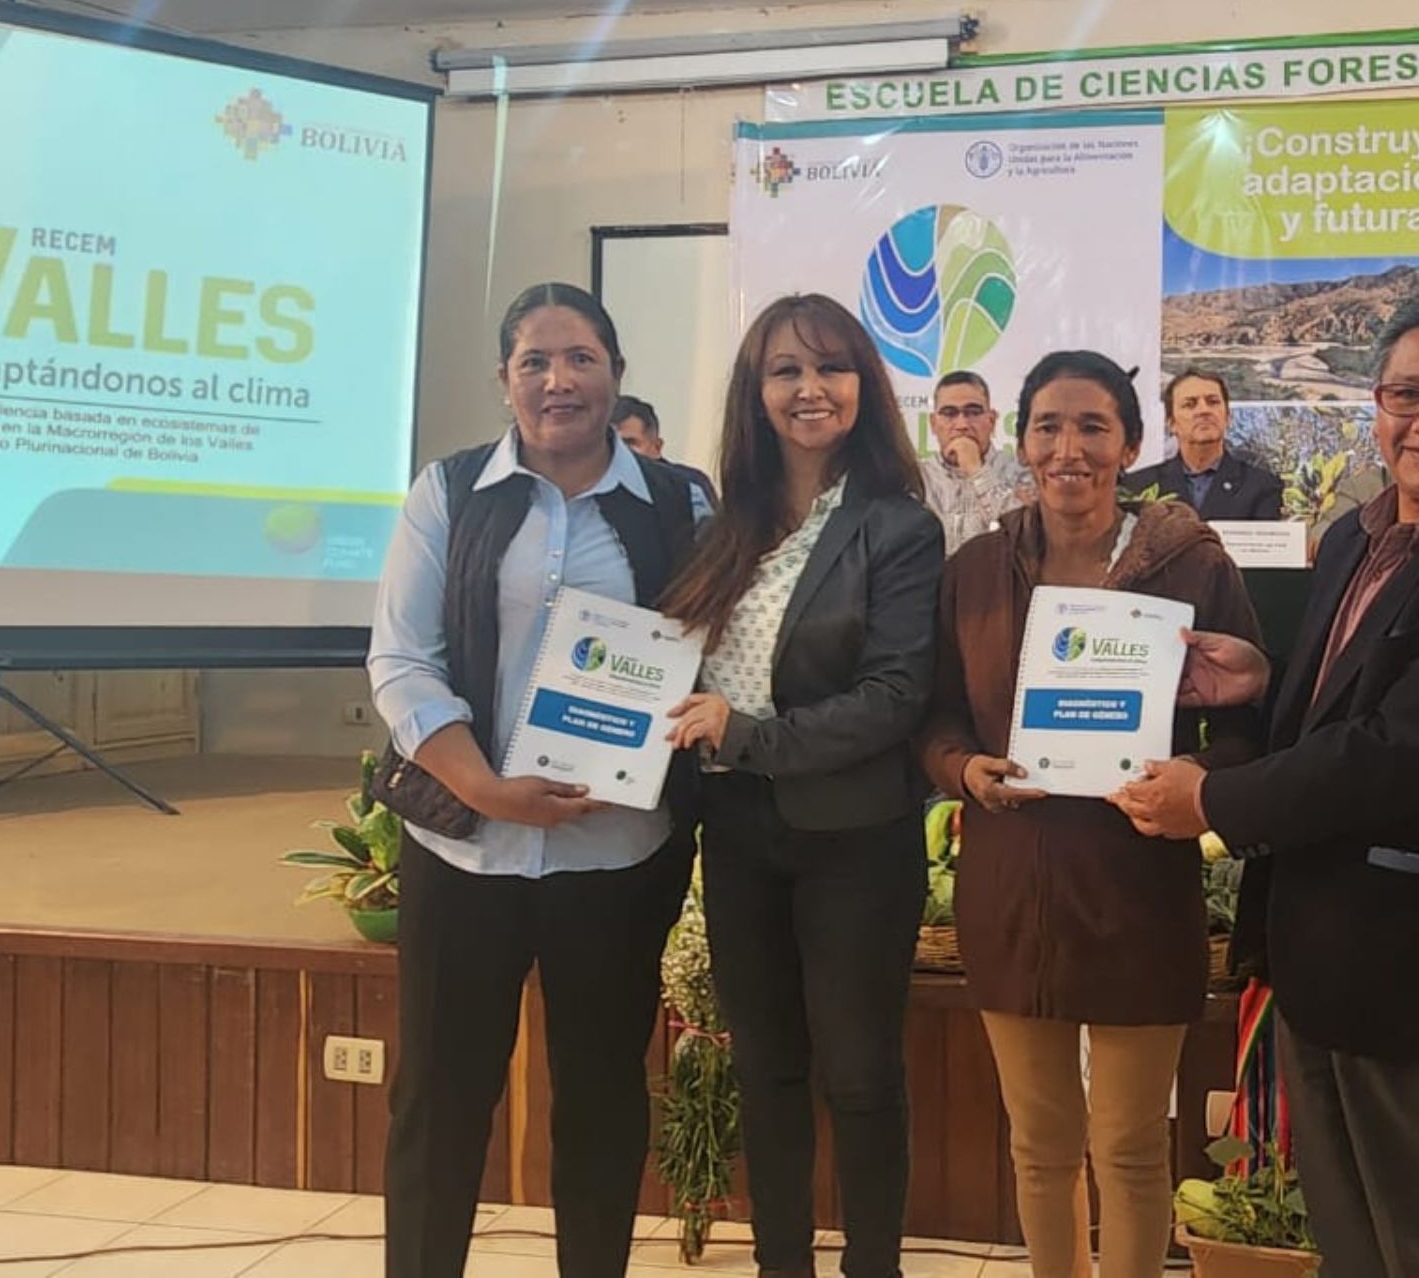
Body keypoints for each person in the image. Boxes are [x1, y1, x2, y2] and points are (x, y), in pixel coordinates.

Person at [1113, 287, 1419, 1278]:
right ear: (1376, 405)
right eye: (1406, 394)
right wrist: (1266, 682)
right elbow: (1356, 704)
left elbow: (1400, 755)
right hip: (1327, 966)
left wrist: (1210, 801)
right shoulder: (1354, 537)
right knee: (1353, 1250)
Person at [369, 282, 711, 1278]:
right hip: (463, 848)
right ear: (505, 379)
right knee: (439, 1098)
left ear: (616, 374)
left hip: (616, 855)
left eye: (580, 359)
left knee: (602, 1098)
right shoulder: (450, 492)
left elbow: (715, 652)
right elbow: (402, 662)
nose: (558, 381)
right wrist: (486, 789)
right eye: (535, 361)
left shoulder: (680, 503)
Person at [918, 351, 1267, 1278]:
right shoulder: (977, 570)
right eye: (1048, 426)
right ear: (1021, 439)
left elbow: (1250, 730)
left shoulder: (1191, 566)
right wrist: (964, 769)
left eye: (1092, 427)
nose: (1068, 448)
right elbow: (936, 718)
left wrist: (1191, 775)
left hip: (1135, 886)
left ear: (1131, 444)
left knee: (1131, 1147)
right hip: (1011, 886)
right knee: (1039, 1146)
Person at [657, 292, 943, 1278]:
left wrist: (748, 735)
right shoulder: (723, 527)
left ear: (864, 386)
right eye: (785, 370)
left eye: (831, 367)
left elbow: (894, 697)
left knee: (859, 1076)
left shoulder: (897, 528)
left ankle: (874, 1268)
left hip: (855, 839)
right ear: (755, 391)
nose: (809, 388)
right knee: (766, 1071)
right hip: (738, 829)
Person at [1124, 371, 1285, 521]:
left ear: (1227, 417)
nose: (1203, 410)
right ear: (1171, 423)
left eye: (1213, 402)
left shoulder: (1262, 486)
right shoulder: (1137, 487)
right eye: (1190, 404)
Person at [919, 368, 1031, 555]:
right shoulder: (916, 478)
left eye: (973, 412)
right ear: (933, 423)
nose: (962, 425)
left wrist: (976, 470)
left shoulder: (1021, 472)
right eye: (949, 413)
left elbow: (1025, 536)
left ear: (992, 420)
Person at [612, 393, 720, 510]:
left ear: (656, 448)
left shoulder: (689, 491)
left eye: (630, 443)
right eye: (609, 442)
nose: (619, 450)